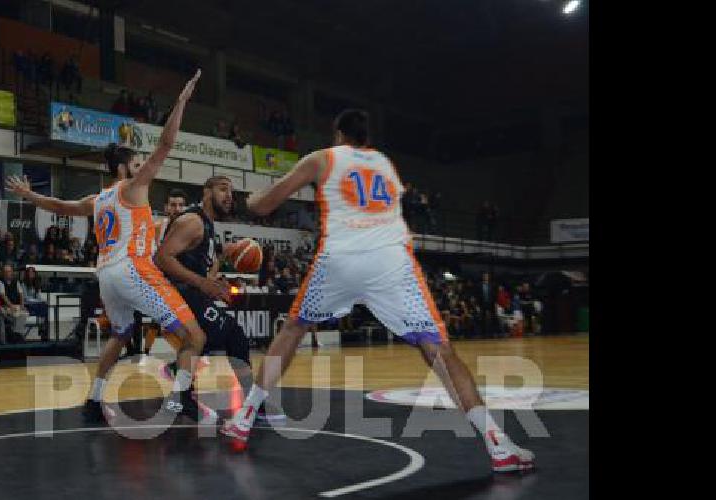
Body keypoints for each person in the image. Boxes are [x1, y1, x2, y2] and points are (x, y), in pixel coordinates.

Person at [220, 109, 535, 472]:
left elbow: (264, 205)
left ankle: (244, 418)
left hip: (341, 258)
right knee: (440, 352)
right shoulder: (385, 163)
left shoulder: (323, 158)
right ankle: (497, 445)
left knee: (294, 328)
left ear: (338, 134)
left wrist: (249, 200)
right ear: (365, 137)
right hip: (390, 263)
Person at [5, 69, 207, 424]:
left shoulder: (97, 199)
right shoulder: (132, 187)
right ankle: (182, 397)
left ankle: (94, 399)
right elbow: (166, 146)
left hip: (107, 274)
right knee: (196, 335)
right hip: (133, 268)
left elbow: (60, 207)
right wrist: (181, 102)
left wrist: (28, 194)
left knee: (121, 334)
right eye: (137, 163)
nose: (143, 165)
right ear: (124, 168)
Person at [155, 175, 280, 424]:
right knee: (235, 336)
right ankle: (251, 402)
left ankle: (179, 379)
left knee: (210, 339)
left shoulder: (209, 226)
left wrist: (215, 280)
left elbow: (201, 270)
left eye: (231, 193)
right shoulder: (193, 221)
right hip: (177, 293)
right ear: (206, 192)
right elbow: (162, 258)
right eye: (223, 189)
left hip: (191, 293)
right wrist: (202, 283)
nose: (228, 196)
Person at [0, 264, 29, 341]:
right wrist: (11, 306)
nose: (7, 273)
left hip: (15, 306)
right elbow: (3, 296)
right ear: (3, 273)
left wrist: (22, 305)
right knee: (15, 314)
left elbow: (21, 294)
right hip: (4, 306)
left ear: (12, 272)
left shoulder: (16, 281)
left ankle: (18, 334)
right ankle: (15, 336)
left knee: (23, 313)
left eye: (9, 271)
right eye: (6, 271)